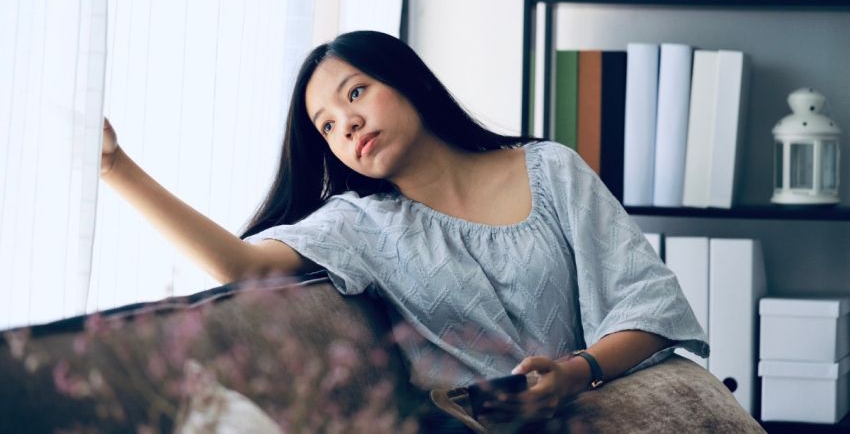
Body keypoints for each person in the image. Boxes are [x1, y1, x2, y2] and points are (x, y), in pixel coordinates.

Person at [100, 30, 708, 424]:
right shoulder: (359, 226)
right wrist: (114, 165)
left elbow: (647, 301)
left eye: (356, 92)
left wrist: (574, 373)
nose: (348, 124)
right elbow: (239, 265)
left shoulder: (550, 169)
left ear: (407, 80)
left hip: (612, 409)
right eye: (328, 127)